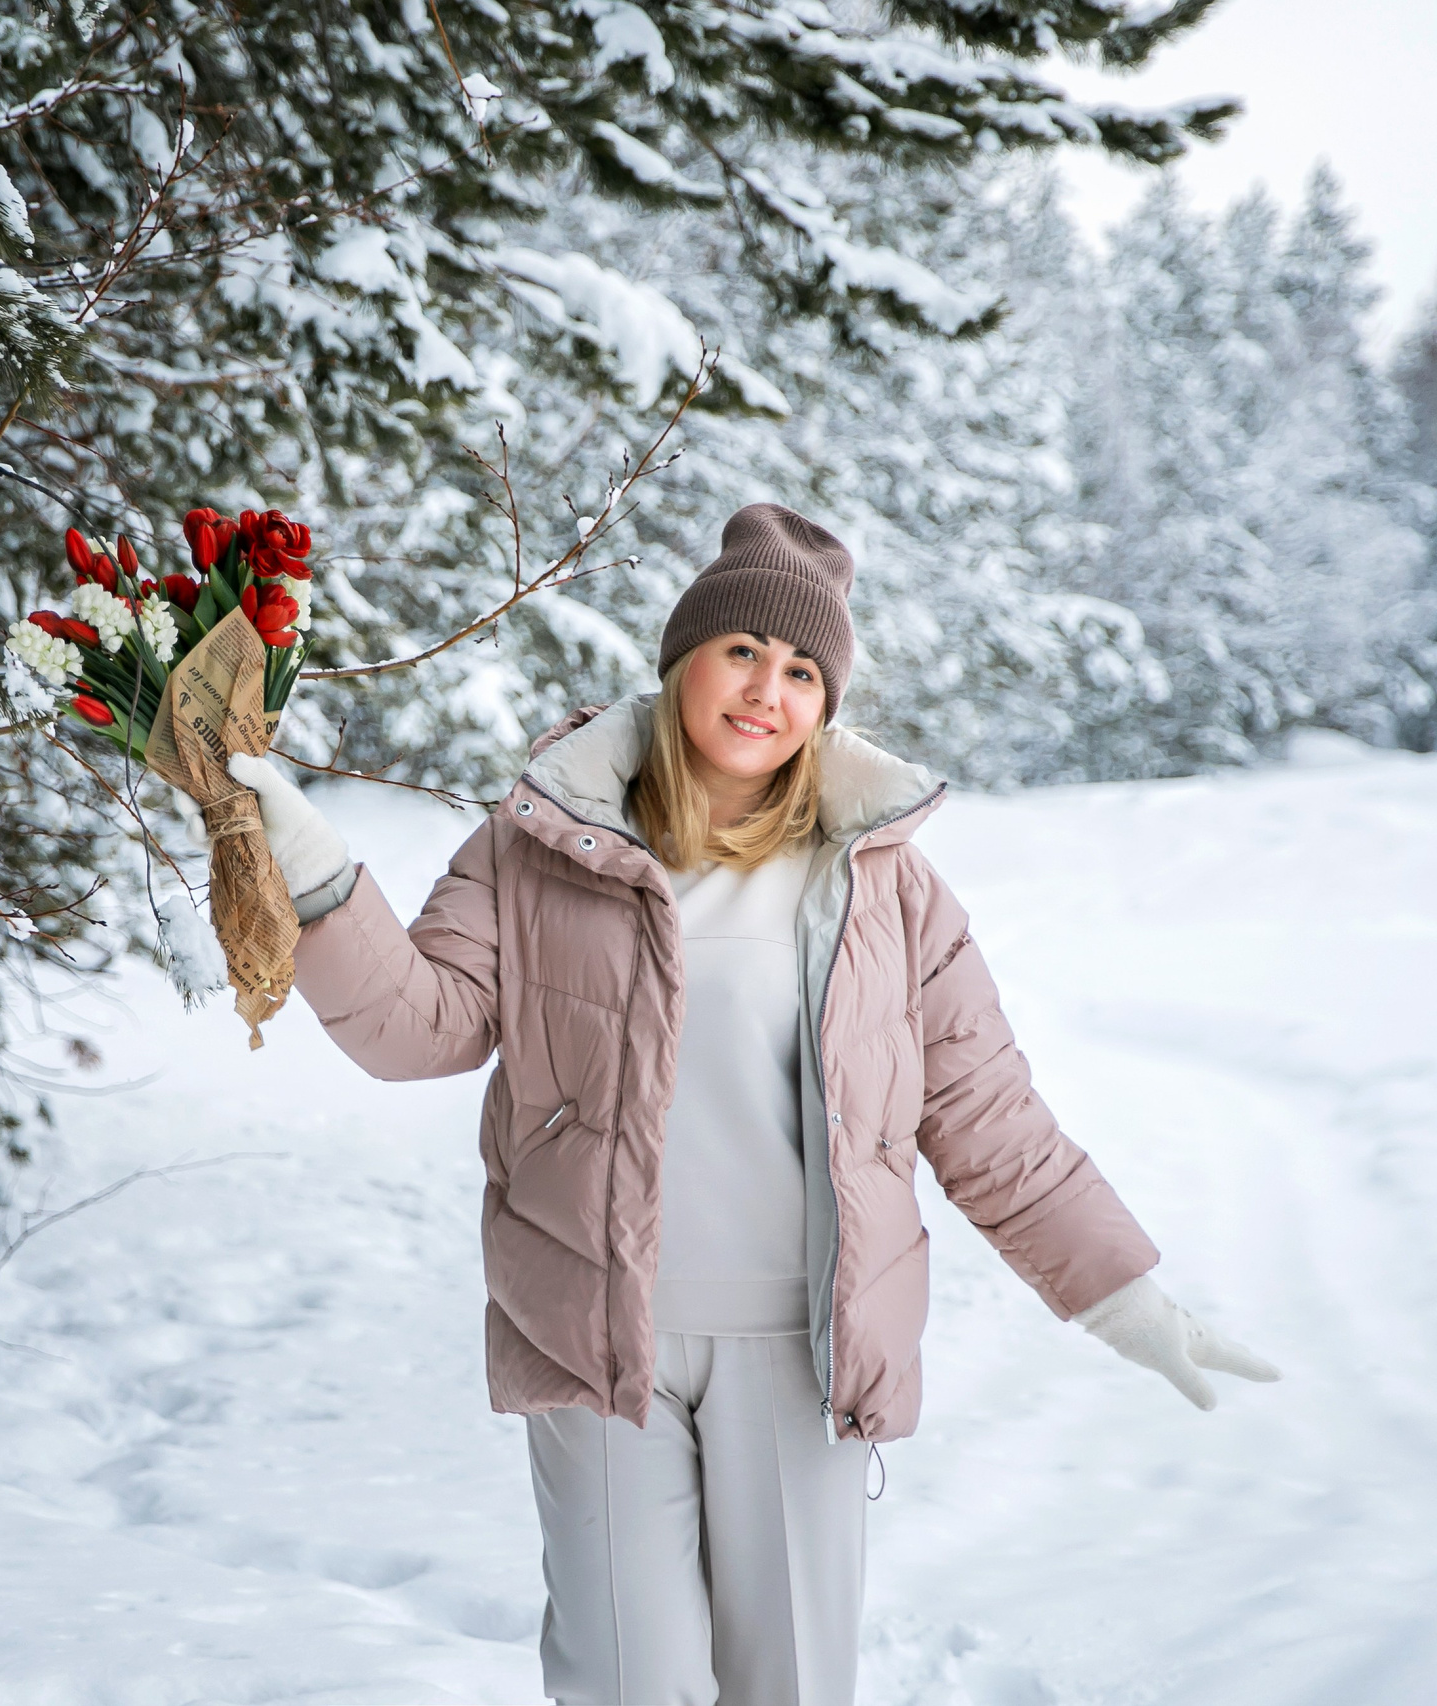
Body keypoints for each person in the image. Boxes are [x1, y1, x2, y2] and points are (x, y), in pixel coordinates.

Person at [219, 504, 1278, 1706]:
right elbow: (418, 1026)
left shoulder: (885, 884)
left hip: (805, 1349)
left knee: (789, 1685)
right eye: (740, 652)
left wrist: (1119, 1293)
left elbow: (991, 1116)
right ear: (683, 660)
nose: (765, 690)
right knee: (624, 1680)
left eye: (801, 669)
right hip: (597, 1331)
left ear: (827, 700)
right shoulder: (539, 845)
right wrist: (314, 878)